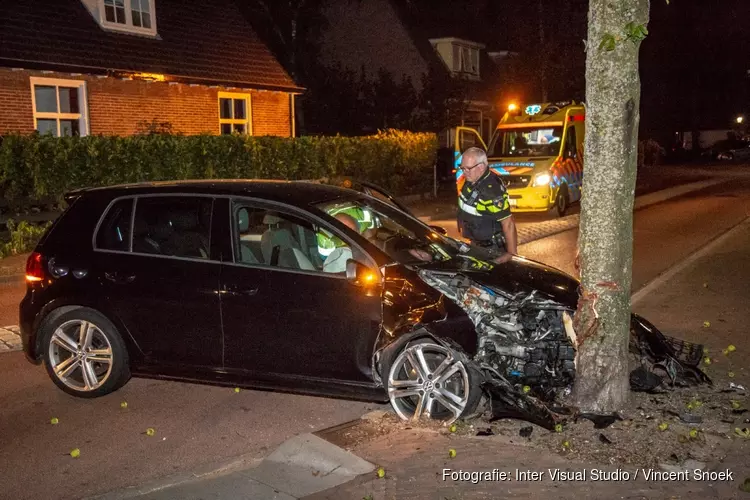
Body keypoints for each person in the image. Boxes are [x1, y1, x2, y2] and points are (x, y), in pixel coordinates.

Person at [456, 146, 518, 263]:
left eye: (468, 168)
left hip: (491, 250)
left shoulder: (491, 190)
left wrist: (511, 254)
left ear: (481, 167)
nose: (464, 172)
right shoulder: (472, 180)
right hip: (477, 246)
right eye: (462, 168)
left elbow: (508, 223)